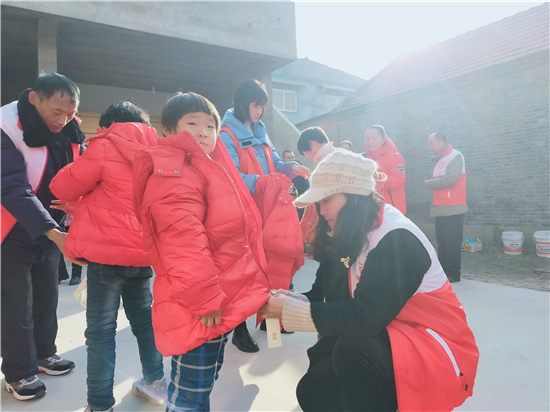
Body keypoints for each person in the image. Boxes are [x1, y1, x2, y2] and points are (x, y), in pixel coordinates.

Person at [261, 150, 479, 412]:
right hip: (386, 336)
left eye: (327, 199)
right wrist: (286, 300)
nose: (322, 210)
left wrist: (290, 310)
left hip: (432, 349)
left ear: (354, 196)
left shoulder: (397, 239)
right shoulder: (345, 232)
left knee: (353, 350)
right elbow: (322, 295)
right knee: (312, 394)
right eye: (318, 203)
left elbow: (366, 318)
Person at [132, 92, 271, 412]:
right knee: (189, 395)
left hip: (212, 297)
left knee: (199, 384)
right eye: (192, 124)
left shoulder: (203, 166)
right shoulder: (175, 174)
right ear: (168, 130)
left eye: (210, 126)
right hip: (199, 303)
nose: (203, 132)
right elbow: (182, 242)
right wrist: (205, 297)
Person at [50, 101, 166, 412]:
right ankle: (156, 383)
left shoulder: (104, 146)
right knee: (144, 322)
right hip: (143, 255)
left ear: (108, 125)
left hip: (106, 257)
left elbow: (61, 186)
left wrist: (81, 200)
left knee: (101, 331)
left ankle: (100, 405)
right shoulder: (159, 152)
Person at [1, 73, 84, 400]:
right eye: (57, 112)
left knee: (47, 297)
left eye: (70, 114)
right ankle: (19, 373)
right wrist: (54, 232)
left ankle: (44, 354)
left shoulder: (70, 128)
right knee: (15, 305)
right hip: (10, 232)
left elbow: (79, 175)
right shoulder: (6, 126)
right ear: (35, 99)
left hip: (50, 230)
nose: (63, 121)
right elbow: (11, 187)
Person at [220, 79, 306, 353]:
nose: (260, 111)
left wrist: (291, 168)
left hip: (269, 211)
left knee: (272, 265)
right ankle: (239, 329)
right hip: (244, 213)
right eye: (256, 105)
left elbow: (275, 164)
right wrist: (264, 182)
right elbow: (232, 177)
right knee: (244, 271)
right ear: (242, 103)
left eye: (262, 106)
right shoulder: (227, 135)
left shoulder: (260, 130)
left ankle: (270, 319)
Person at [424, 132, 468, 283]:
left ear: (441, 142)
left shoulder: (455, 156)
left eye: (431, 144)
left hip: (453, 206)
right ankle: (443, 272)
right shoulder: (438, 158)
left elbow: (450, 179)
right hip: (440, 206)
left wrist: (429, 183)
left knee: (452, 243)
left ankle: (453, 274)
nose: (430, 147)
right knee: (442, 242)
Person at [363, 125, 407, 215]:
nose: (370, 142)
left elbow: (400, 181)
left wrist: (381, 177)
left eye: (374, 138)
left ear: (383, 139)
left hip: (392, 210)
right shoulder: (364, 160)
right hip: (372, 209)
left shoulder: (395, 157)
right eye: (367, 139)